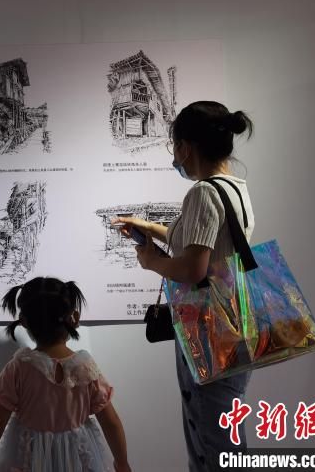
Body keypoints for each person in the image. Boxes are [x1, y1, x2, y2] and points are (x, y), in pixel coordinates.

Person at [112, 100, 255, 472]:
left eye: (174, 146)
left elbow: (193, 268)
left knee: (209, 440)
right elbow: (202, 242)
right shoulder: (234, 187)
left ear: (186, 147)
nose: (174, 156)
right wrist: (149, 228)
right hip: (234, 325)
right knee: (225, 432)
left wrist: (151, 261)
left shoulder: (203, 192)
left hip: (208, 332)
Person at [0, 276, 131, 472]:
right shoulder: (86, 368)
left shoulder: (19, 368)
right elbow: (110, 422)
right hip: (78, 458)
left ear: (24, 321)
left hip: (30, 458)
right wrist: (122, 463)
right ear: (74, 318)